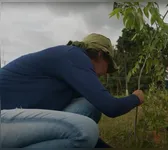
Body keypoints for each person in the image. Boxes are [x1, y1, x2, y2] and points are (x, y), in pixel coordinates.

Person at [0, 33, 144, 148]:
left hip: (16, 122)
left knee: (88, 106)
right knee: (85, 130)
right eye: (108, 66)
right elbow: (111, 107)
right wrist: (136, 98)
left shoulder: (71, 71)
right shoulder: (74, 56)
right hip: (4, 120)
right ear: (100, 54)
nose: (106, 73)